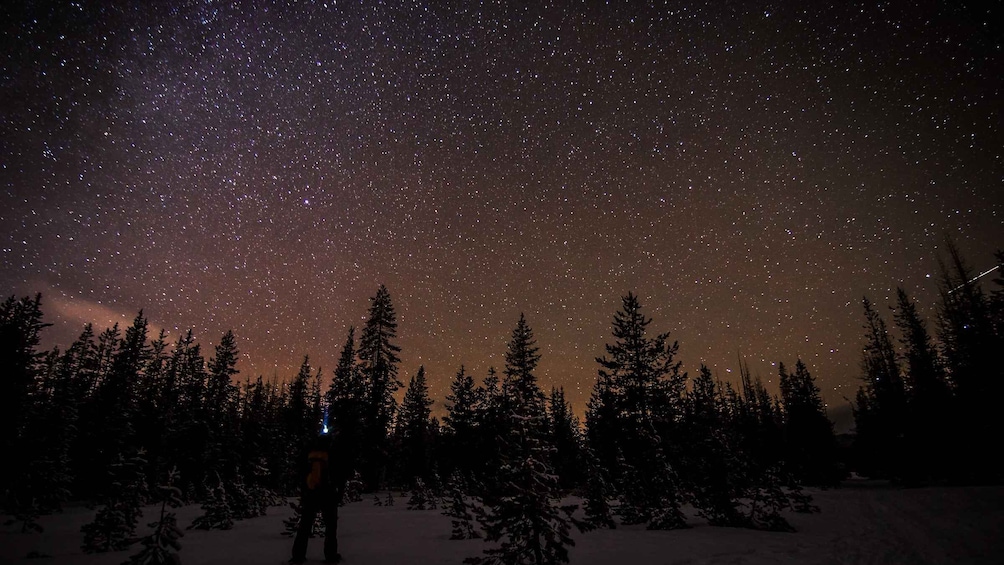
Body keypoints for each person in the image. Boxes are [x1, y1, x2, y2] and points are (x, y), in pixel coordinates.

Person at [290, 430, 345, 564]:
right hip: (328, 494)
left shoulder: (310, 453)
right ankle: (331, 556)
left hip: (311, 493)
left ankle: (298, 556)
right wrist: (339, 493)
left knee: (305, 525)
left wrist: (304, 491)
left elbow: (301, 472)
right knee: (331, 527)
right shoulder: (332, 453)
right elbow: (339, 474)